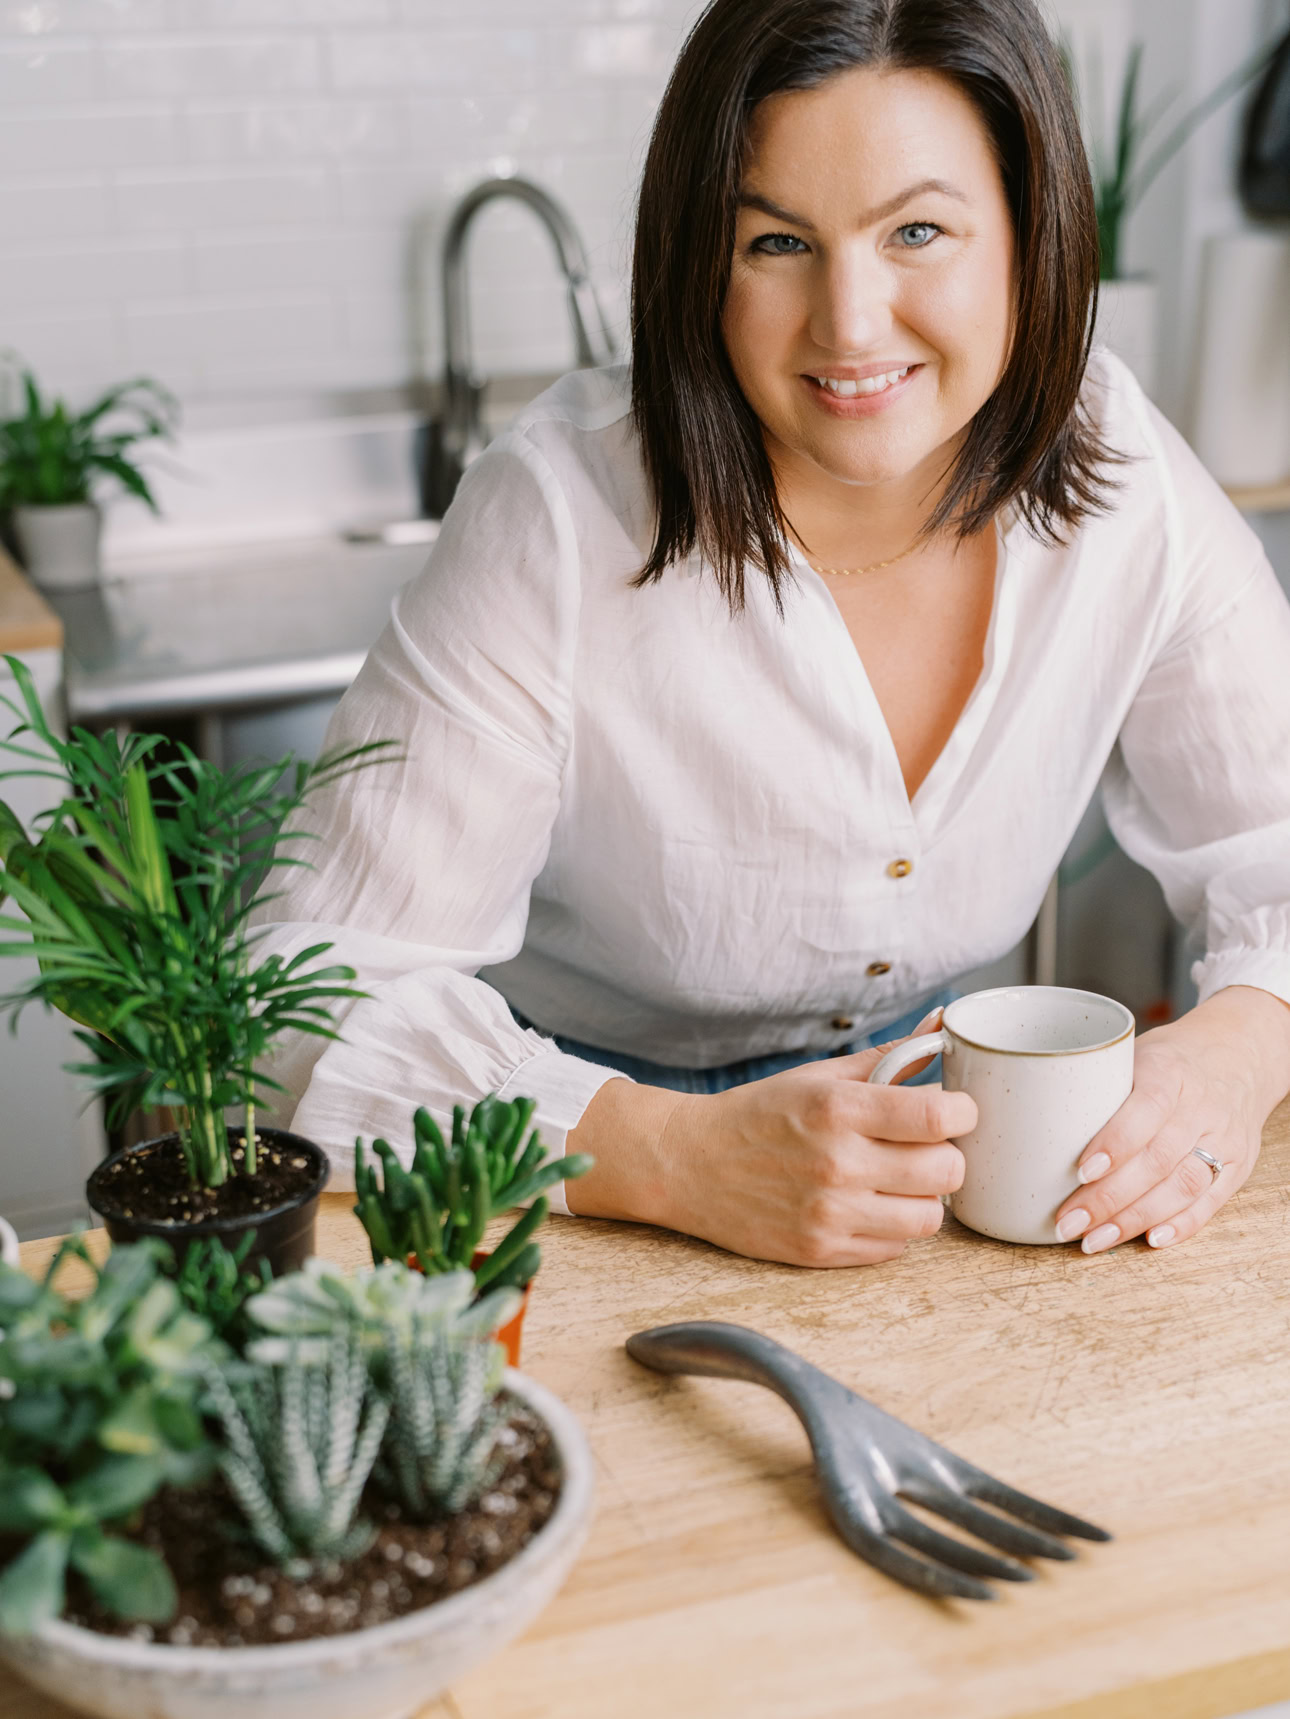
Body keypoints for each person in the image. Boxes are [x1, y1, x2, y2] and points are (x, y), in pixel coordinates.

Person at [256, 0, 1290, 1269]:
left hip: (944, 1175)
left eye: (918, 230)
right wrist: (664, 1151)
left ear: (1031, 235)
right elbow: (299, 1002)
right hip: (566, 1174)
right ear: (699, 258)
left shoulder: (1118, 464)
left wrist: (1242, 1044)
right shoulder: (562, 513)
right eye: (779, 242)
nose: (850, 324)